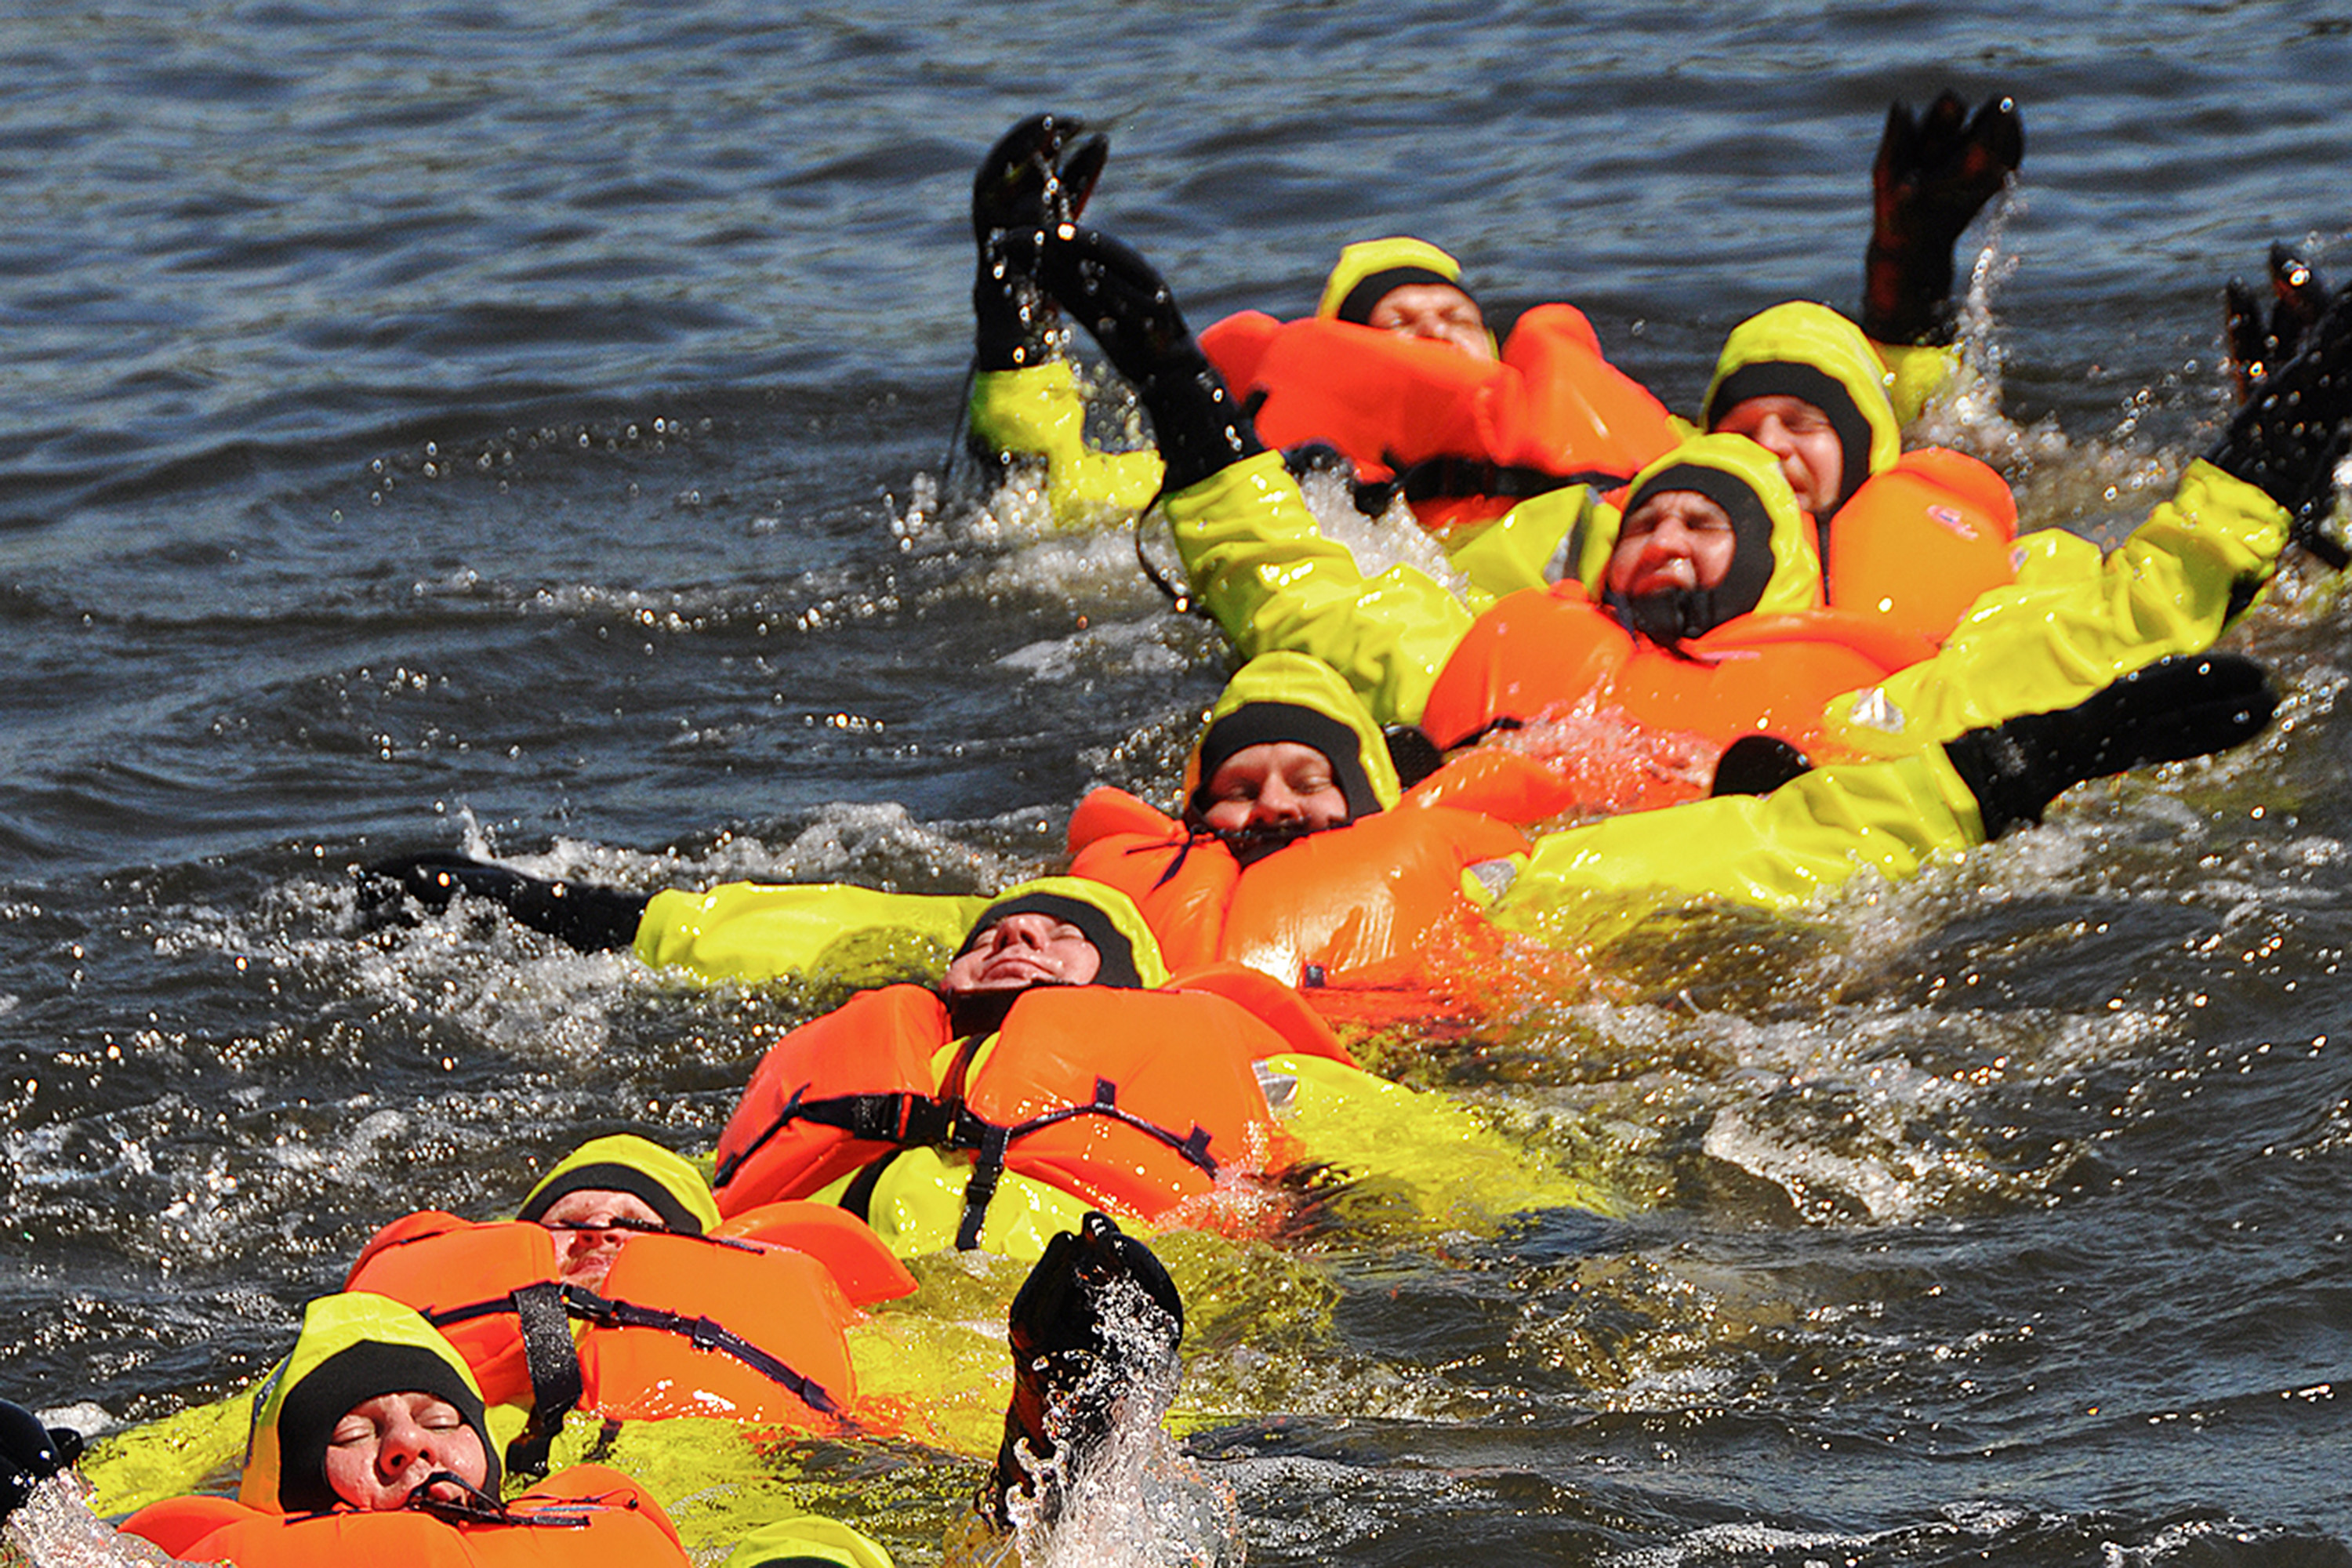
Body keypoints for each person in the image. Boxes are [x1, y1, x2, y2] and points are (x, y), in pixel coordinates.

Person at [1027, 201, 2348, 818]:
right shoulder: (1486, 633)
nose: (1664, 536)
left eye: (1706, 524)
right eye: (1650, 521)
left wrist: (2275, 457)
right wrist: (1171, 381)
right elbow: (1287, 580)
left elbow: (2128, 616)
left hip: (1763, 900)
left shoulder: (1879, 683)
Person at [964, 98, 2025, 622]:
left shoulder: (1675, 460)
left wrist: (1909, 276)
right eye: (1399, 327)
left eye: (1453, 318)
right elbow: (1036, 507)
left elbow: (1867, 434)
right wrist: (1016, 324)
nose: (1433, 337)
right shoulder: (1288, 487)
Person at [339, 1134, 917, 1469]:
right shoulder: (424, 1362)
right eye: (567, 1222)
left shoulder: (814, 1344)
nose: (597, 1230)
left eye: (634, 1221)